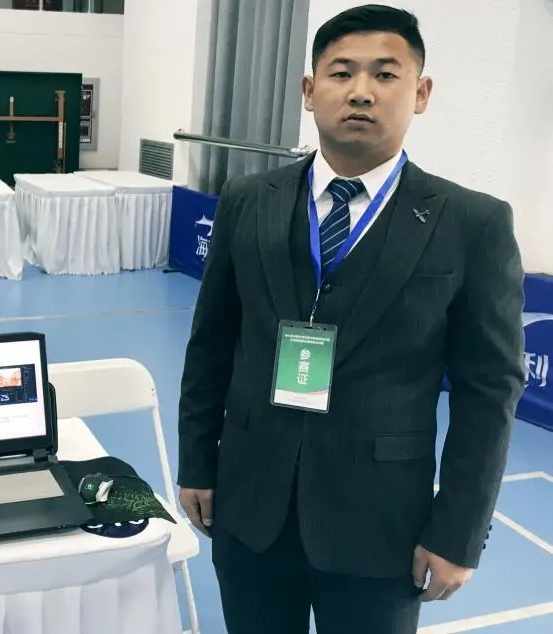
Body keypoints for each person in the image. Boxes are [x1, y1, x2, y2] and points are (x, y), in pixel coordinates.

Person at [176, 5, 525, 634]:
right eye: (341, 73)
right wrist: (198, 462)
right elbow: (211, 343)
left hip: (383, 526)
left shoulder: (472, 224)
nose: (361, 91)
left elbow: (489, 391)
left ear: (421, 93)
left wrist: (459, 529)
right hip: (250, 506)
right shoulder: (249, 202)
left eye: (386, 75)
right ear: (310, 91)